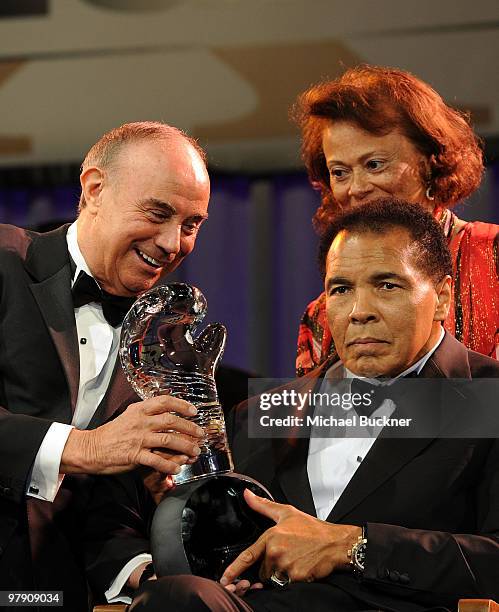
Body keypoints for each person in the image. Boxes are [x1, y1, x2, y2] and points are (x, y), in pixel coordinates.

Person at [85, 199, 499, 612]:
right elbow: (118, 517)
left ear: (442, 296)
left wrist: (353, 545)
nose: (359, 312)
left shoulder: (489, 397)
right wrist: (179, 537)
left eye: (387, 285)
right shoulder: (261, 413)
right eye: (341, 289)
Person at [0, 121, 211, 611]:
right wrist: (87, 447)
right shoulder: (5, 260)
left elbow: (101, 506)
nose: (172, 242)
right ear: (95, 190)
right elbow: (90, 455)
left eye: (192, 224)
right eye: (158, 212)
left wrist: (143, 571)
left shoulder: (162, 337)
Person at [294, 65, 499, 376]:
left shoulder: (493, 256)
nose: (357, 188)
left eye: (374, 164)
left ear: (431, 161)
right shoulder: (321, 315)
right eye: (339, 172)